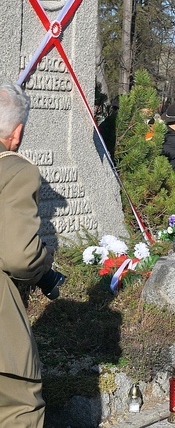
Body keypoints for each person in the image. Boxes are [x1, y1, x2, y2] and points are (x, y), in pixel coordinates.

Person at [0, 83, 56, 426]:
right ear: (17, 133)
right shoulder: (14, 170)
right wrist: (44, 259)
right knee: (18, 411)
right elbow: (20, 256)